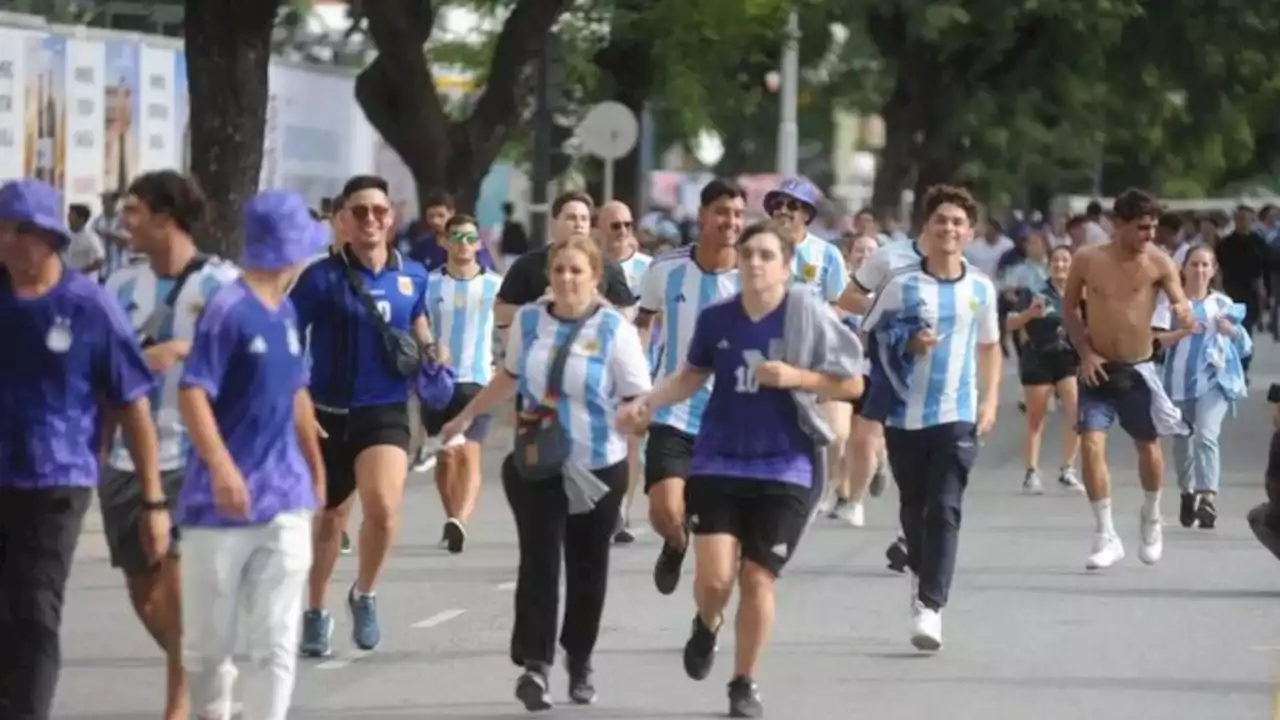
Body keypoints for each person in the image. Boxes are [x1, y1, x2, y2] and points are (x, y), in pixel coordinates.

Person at [619, 222, 863, 718]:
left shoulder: (807, 314)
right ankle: (707, 623)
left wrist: (797, 377)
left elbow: (852, 383)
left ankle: (743, 682)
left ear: (786, 265)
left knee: (757, 579)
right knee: (715, 580)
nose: (754, 263)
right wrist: (646, 401)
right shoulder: (718, 319)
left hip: (786, 467)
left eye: (766, 255)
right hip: (719, 461)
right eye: (748, 253)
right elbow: (690, 375)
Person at [440, 234, 652, 712]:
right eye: (559, 271)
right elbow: (510, 376)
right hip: (537, 464)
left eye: (577, 271)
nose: (567, 279)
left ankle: (579, 659)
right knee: (538, 561)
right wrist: (465, 417)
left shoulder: (614, 331)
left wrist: (634, 416)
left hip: (598, 466)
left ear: (595, 277)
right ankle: (535, 666)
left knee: (586, 566)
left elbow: (639, 396)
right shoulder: (531, 321)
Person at [0, 179, 162, 720]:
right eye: (3, 232)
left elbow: (134, 402)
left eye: (23, 233)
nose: (11, 244)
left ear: (50, 237)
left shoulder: (89, 307)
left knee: (34, 608)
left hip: (56, 480)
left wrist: (154, 501)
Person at [177, 190, 327, 720]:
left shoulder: (285, 311)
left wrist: (314, 464)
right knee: (207, 648)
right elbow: (193, 391)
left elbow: (296, 393)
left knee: (276, 641)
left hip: (284, 497)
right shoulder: (228, 310)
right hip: (219, 506)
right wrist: (221, 467)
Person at [100, 170, 241, 720]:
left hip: (192, 459)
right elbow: (101, 372)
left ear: (166, 217)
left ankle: (182, 710)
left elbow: (250, 370)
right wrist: (147, 360)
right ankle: (210, 670)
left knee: (180, 593)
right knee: (146, 594)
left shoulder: (223, 288)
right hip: (126, 461)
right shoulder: (116, 288)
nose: (123, 221)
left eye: (134, 210)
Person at [292, 174, 438, 657]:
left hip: (386, 410)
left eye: (379, 211)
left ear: (392, 218)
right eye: (359, 212)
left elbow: (416, 319)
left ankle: (365, 594)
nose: (371, 219)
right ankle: (315, 610)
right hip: (328, 412)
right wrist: (297, 401)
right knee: (331, 518)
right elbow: (288, 338)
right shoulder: (320, 277)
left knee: (383, 509)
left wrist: (433, 348)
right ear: (341, 221)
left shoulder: (412, 274)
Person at [861, 184, 1001, 652]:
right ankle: (922, 576)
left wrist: (990, 400)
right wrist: (907, 344)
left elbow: (989, 345)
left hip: (956, 415)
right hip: (904, 414)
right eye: (941, 220)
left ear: (970, 231)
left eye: (958, 222)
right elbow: (870, 335)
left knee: (944, 507)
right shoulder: (902, 283)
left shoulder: (980, 287)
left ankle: (931, 606)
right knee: (914, 507)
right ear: (927, 226)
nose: (949, 228)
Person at [1062, 188, 1194, 571]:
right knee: (1090, 443)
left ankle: (1152, 515)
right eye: (1141, 228)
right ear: (1117, 225)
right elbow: (1070, 309)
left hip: (1138, 369)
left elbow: (1178, 299)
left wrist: (1184, 313)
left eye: (1152, 228)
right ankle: (1105, 533)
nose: (1149, 235)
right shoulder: (1087, 259)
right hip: (1097, 366)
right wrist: (1085, 353)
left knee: (1149, 449)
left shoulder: (1160, 261)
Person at [636, 179, 745, 595]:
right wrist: (639, 384)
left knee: (719, 528)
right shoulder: (665, 269)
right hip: (674, 407)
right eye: (722, 212)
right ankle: (675, 540)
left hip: (732, 417)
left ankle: (710, 597)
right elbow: (644, 324)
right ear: (702, 216)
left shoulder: (753, 274)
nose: (730, 222)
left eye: (737, 214)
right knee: (664, 509)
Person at [417, 213, 503, 552]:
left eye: (470, 238)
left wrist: (506, 362)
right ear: (444, 242)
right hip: (439, 381)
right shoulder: (429, 284)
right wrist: (427, 352)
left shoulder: (495, 285)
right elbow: (415, 324)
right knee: (446, 457)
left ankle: (461, 521)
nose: (463, 245)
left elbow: (509, 328)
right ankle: (451, 516)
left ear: (479, 244)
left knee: (469, 451)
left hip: (478, 380)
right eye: (456, 237)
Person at [1153, 245, 1251, 529]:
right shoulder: (1172, 302)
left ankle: (1207, 498)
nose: (1199, 270)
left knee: (1207, 435)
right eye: (1194, 264)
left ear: (1214, 270)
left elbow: (1245, 346)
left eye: (1205, 265)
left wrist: (1230, 331)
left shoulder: (1223, 303)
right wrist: (1184, 330)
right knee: (1183, 444)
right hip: (1177, 382)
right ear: (1183, 269)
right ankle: (1187, 492)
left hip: (1215, 381)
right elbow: (1156, 342)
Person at [1004, 244, 1083, 494]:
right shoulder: (1035, 291)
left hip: (1068, 359)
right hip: (1039, 358)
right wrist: (1029, 314)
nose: (1060, 265)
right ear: (1050, 265)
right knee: (1036, 418)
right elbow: (1010, 323)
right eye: (1056, 261)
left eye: (1065, 261)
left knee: (1076, 414)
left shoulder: (1080, 295)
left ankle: (1067, 469)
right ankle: (1031, 472)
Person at [495, 190, 636, 328]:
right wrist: (541, 308)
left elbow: (628, 313)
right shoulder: (528, 264)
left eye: (584, 219)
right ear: (555, 222)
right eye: (571, 218)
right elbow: (499, 312)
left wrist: (597, 303)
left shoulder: (608, 265)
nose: (578, 224)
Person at [597, 200, 650, 543]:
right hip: (592, 367)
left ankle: (620, 511)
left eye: (628, 225)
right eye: (614, 226)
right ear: (599, 230)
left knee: (630, 440)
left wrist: (637, 357)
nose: (622, 232)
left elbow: (651, 318)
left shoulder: (649, 269)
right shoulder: (586, 266)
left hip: (632, 369)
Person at [825, 231, 880, 525]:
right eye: (860, 250)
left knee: (865, 443)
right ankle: (838, 488)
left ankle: (854, 500)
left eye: (871, 251)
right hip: (842, 373)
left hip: (875, 375)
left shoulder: (888, 290)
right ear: (850, 256)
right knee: (836, 434)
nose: (865, 256)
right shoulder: (841, 291)